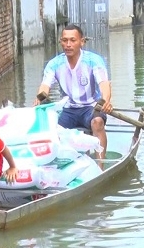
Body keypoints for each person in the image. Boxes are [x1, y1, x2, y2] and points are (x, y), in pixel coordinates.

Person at [33, 24, 113, 158]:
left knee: (97, 122)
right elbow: (44, 87)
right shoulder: (54, 64)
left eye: (72, 40)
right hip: (68, 109)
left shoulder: (94, 61)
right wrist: (40, 98)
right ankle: (60, 160)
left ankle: (101, 166)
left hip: (91, 107)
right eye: (65, 40)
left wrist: (106, 101)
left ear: (82, 42)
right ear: (61, 42)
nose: (68, 44)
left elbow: (104, 85)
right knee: (50, 127)